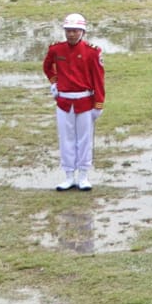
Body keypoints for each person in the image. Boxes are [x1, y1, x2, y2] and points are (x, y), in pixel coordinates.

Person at [42, 12, 105, 191]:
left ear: (82, 32)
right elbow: (47, 67)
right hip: (64, 101)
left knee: (84, 140)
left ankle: (84, 175)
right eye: (68, 30)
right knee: (66, 139)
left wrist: (98, 104)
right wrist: (54, 82)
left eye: (75, 31)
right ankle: (69, 175)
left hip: (84, 101)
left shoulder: (92, 52)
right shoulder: (56, 49)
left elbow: (98, 79)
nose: (71, 34)